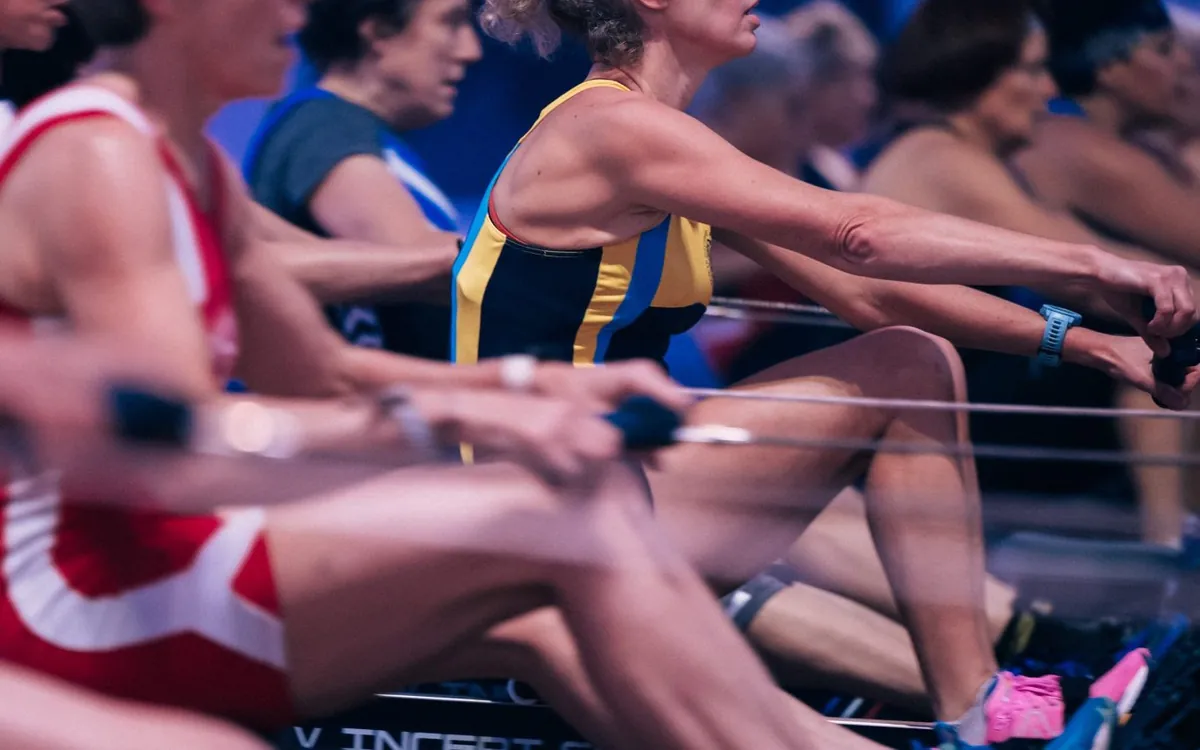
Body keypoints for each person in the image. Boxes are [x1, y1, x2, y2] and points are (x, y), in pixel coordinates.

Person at [0, 2, 891, 749]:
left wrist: (522, 388)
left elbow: (326, 370)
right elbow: (173, 453)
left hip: (160, 559)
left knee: (545, 619)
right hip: (81, 591)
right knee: (567, 507)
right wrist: (479, 426)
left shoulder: (186, 162)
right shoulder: (99, 156)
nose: (298, 14)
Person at [458, 0, 1199, 744]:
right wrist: (1094, 263)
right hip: (548, 519)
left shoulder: (661, 143)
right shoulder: (612, 128)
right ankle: (980, 712)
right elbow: (859, 237)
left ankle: (984, 706)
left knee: (907, 356)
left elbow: (864, 293)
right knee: (909, 366)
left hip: (596, 496)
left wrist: (1096, 346)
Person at [244, 0, 477, 359]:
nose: (470, 51)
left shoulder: (360, 133)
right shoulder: (323, 125)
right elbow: (418, 256)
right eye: (451, 23)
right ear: (378, 29)